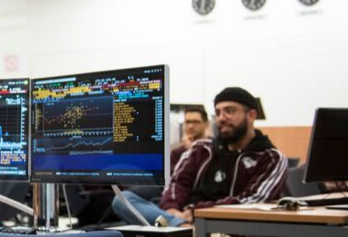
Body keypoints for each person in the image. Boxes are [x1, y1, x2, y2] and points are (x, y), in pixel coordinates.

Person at [113, 87, 286, 228]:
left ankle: (178, 229)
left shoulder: (271, 158)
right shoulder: (202, 149)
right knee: (123, 200)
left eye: (229, 111)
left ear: (251, 115)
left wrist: (196, 211)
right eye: (218, 112)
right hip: (184, 217)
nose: (222, 118)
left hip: (227, 226)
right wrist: (172, 209)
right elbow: (178, 183)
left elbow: (250, 200)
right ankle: (183, 229)